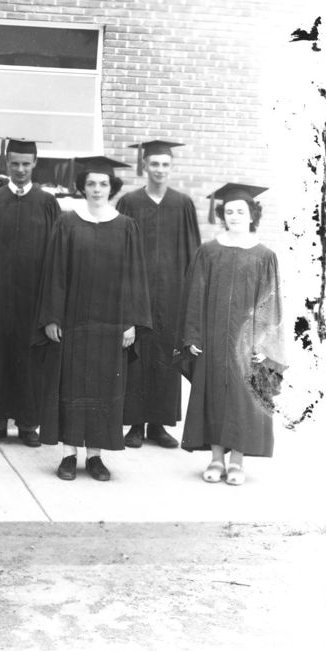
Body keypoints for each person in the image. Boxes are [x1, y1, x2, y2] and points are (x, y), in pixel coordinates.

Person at [34, 156, 152, 482]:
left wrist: (131, 321)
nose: (97, 189)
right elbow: (55, 274)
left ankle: (96, 457)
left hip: (111, 324)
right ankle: (69, 454)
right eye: (91, 184)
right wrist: (52, 317)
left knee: (103, 387)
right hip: (73, 322)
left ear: (111, 187)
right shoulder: (67, 223)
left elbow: (135, 279)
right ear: (82, 187)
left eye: (103, 184)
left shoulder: (126, 227)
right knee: (71, 385)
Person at [179, 183, 285, 486]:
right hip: (212, 338)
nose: (235, 215)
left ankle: (237, 461)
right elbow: (194, 296)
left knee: (241, 398)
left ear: (252, 214)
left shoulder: (264, 255)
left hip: (246, 343)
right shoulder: (208, 251)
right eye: (229, 211)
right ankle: (215, 458)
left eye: (241, 210)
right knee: (213, 393)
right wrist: (192, 336)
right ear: (222, 215)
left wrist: (265, 344)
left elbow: (271, 303)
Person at [0, 137, 60, 448]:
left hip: (33, 300)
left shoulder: (48, 203)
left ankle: (27, 425)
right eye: (14, 164)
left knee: (30, 361)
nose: (20, 170)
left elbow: (57, 257)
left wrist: (51, 307)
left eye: (26, 164)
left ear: (35, 164)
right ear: (5, 165)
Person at [117, 140, 201, 449]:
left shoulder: (183, 204)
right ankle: (135, 425)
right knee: (138, 353)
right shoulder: (130, 202)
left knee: (167, 355)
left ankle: (159, 426)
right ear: (144, 167)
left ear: (171, 167)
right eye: (154, 164)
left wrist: (192, 294)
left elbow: (193, 252)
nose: (159, 170)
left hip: (172, 294)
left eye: (165, 164)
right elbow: (119, 248)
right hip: (138, 292)